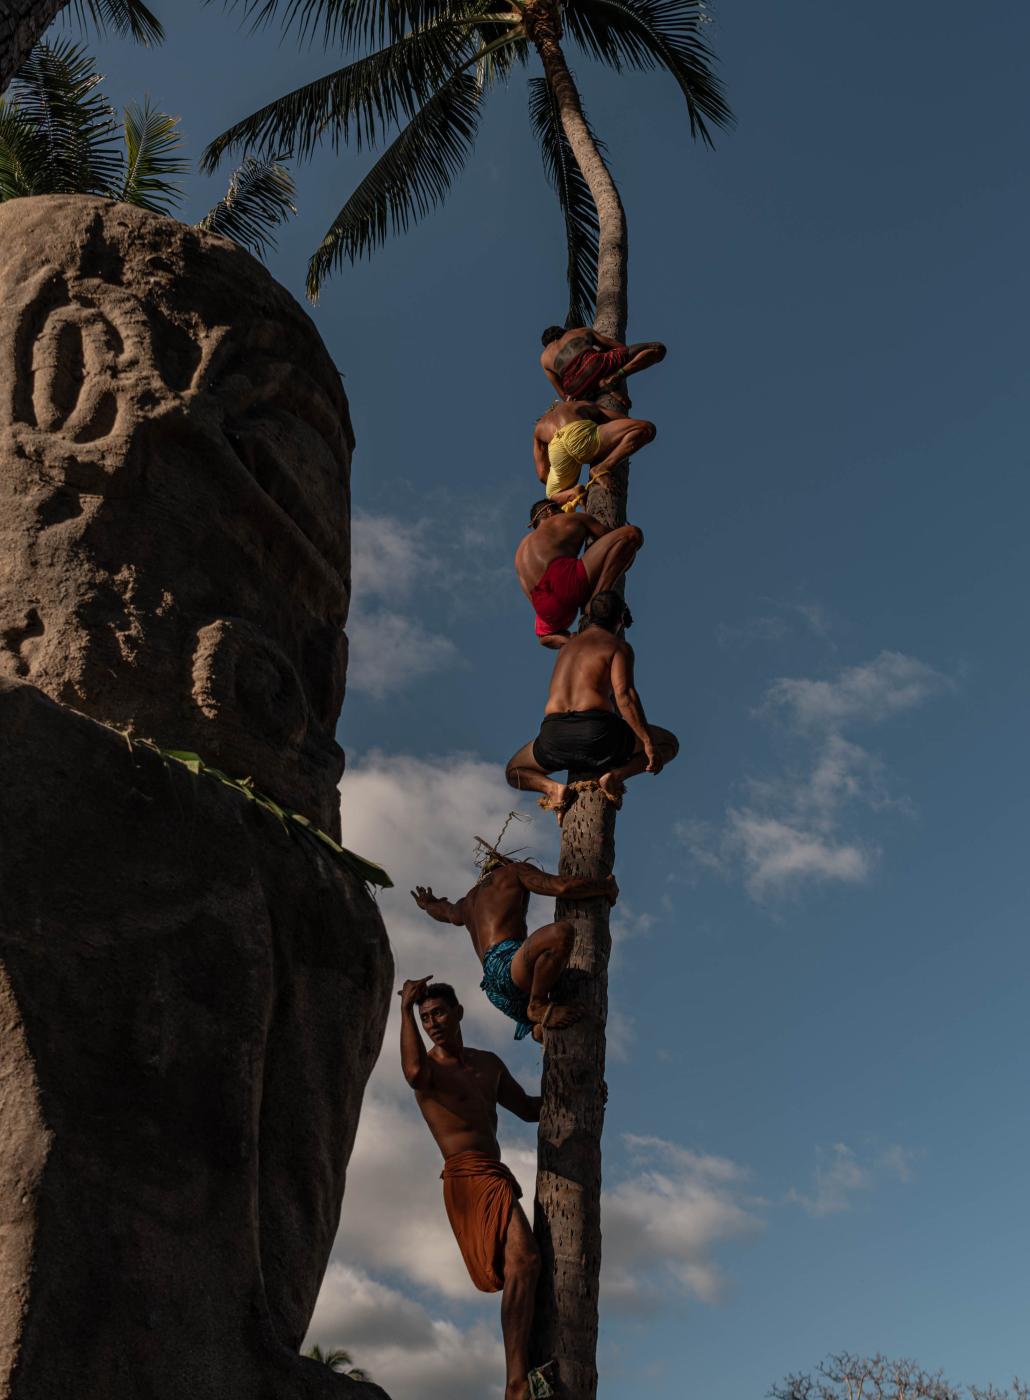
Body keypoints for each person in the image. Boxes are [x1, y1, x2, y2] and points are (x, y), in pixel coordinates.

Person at [399, 976, 545, 1400]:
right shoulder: (427, 1070)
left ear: (459, 1012)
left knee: (528, 1264)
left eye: (439, 1013)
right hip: (466, 1176)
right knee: (527, 1257)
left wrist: (579, 1088)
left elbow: (530, 1110)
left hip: (495, 1172)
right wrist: (404, 1009)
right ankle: (515, 1382)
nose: (433, 1023)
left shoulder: (489, 1064)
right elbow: (410, 1072)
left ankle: (522, 1375)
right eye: (425, 1018)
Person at [505, 590, 679, 822]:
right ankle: (616, 776)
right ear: (619, 621)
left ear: (591, 616)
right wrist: (647, 743)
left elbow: (546, 638)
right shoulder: (617, 647)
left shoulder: (568, 643)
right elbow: (625, 696)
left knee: (514, 771)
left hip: (554, 735)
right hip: (597, 734)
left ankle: (551, 789)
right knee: (668, 743)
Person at [411, 848, 618, 1040]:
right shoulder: (513, 871)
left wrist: (427, 903)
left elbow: (444, 911)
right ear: (504, 863)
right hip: (508, 964)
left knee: (542, 1031)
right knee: (560, 933)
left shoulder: (466, 903)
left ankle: (537, 1027)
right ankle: (538, 1004)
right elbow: (561, 887)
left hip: (494, 989)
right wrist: (604, 887)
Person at [515, 500, 643, 649]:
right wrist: (586, 512)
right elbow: (607, 535)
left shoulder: (520, 552)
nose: (564, 513)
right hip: (567, 583)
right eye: (561, 510)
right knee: (632, 535)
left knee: (543, 636)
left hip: (547, 612)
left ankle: (568, 640)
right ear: (550, 511)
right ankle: (599, 595)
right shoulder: (568, 519)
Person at [533, 399, 656, 508]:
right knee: (646, 428)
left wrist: (561, 478)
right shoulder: (575, 405)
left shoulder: (539, 428)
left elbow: (542, 474)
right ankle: (603, 468)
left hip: (556, 447)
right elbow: (620, 418)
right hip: (578, 433)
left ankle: (571, 493)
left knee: (553, 494)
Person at [540, 324, 666, 403]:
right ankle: (617, 376)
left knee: (579, 391)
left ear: (547, 344)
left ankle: (599, 389)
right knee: (657, 348)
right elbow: (617, 346)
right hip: (595, 365)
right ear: (562, 332)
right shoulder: (581, 331)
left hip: (576, 389)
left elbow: (563, 395)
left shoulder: (544, 358)